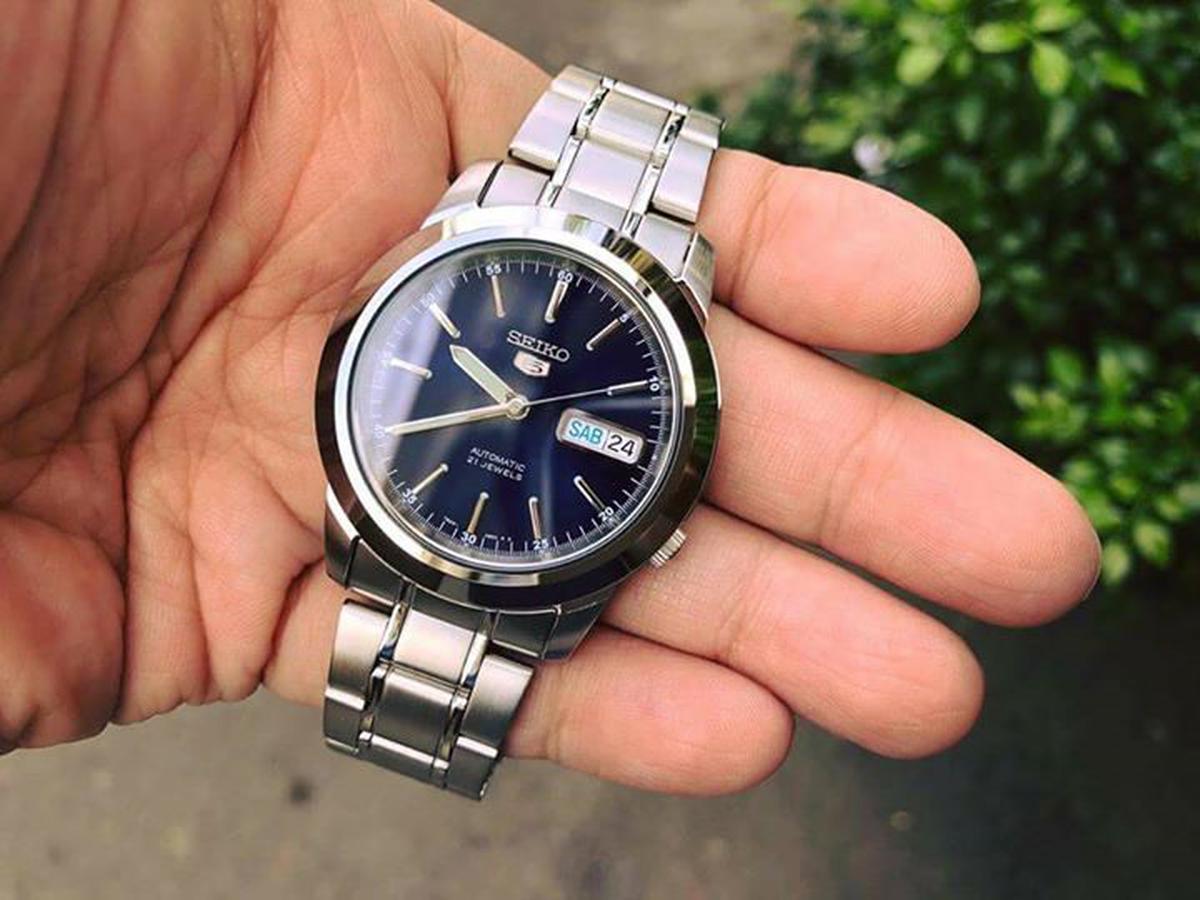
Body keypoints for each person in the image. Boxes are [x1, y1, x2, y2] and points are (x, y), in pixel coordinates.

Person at [0, 1, 1099, 793]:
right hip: (456, 483)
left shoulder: (608, 430)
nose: (518, 405)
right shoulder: (436, 269)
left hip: (512, 498)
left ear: (663, 513)